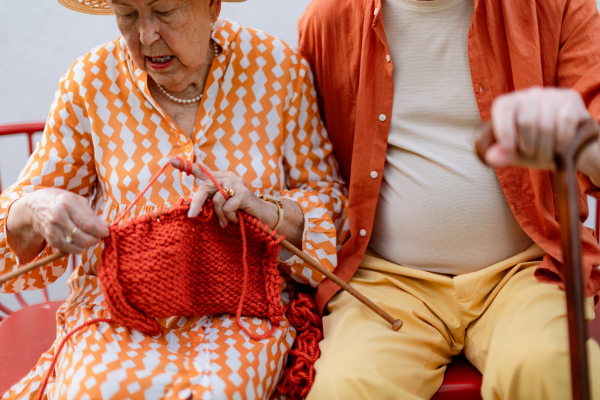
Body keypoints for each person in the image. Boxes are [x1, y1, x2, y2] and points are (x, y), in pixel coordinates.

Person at [0, 0, 347, 398]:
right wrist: (37, 210)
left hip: (242, 308)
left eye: (164, 10)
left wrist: (266, 209)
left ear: (212, 6)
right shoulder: (90, 82)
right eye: (127, 14)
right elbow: (19, 211)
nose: (146, 36)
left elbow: (333, 204)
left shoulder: (278, 70)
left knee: (216, 392)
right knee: (100, 389)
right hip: (120, 308)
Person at [297, 0, 600, 399]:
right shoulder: (327, 19)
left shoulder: (557, 7)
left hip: (526, 270)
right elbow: (308, 169)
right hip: (388, 281)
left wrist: (577, 141)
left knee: (552, 367)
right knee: (346, 389)